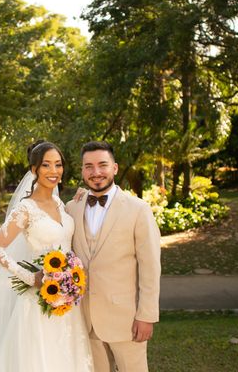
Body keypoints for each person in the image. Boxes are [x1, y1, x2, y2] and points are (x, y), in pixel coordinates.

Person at [0, 140, 94, 372]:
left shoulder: (59, 203)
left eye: (58, 164)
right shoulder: (25, 209)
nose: (54, 171)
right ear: (34, 170)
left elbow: (65, 238)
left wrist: (82, 198)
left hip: (67, 303)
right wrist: (30, 277)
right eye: (46, 165)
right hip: (37, 304)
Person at [66, 141, 161, 372]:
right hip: (85, 320)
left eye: (102, 165)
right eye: (88, 166)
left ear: (115, 168)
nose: (96, 172)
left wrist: (146, 315)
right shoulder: (72, 208)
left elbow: (150, 267)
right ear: (82, 171)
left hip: (126, 320)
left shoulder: (138, 209)